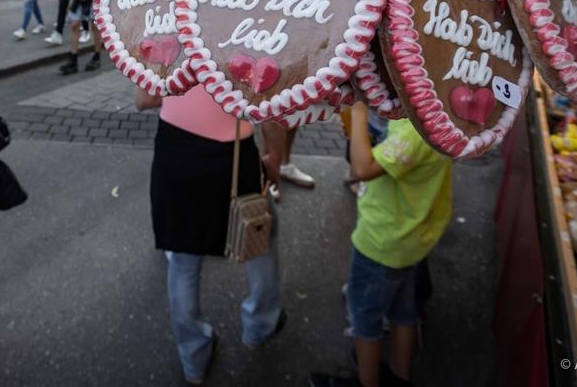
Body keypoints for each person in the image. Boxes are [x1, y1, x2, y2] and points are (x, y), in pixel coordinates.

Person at [135, 84, 285, 385]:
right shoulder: (249, 36)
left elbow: (144, 99)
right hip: (234, 155)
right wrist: (274, 159)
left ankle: (193, 358)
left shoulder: (168, 36)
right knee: (260, 236)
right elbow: (271, 109)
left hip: (176, 152)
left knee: (183, 256)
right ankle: (260, 324)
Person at [307, 104, 452, 387]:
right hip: (414, 238)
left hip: (383, 242)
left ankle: (366, 381)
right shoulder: (438, 118)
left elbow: (362, 168)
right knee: (403, 313)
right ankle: (399, 377)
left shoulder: (414, 131)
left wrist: (358, 113)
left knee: (365, 320)